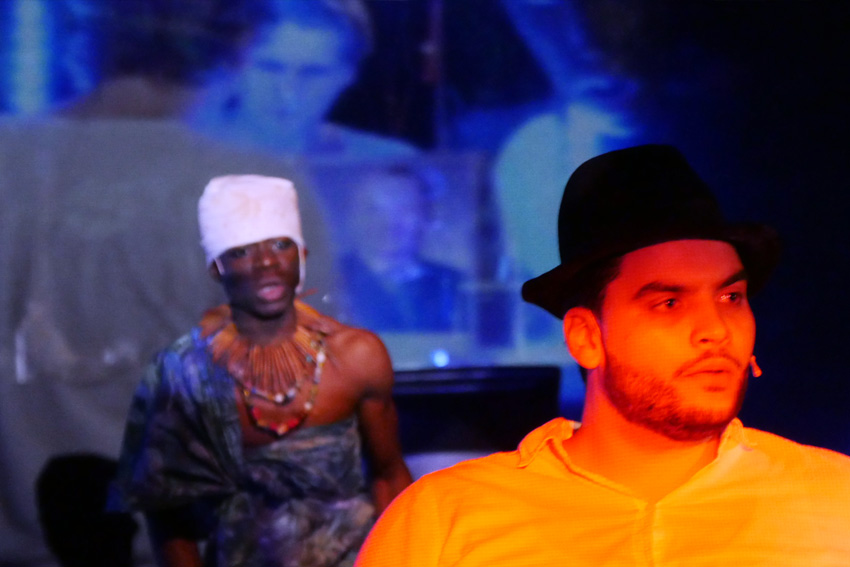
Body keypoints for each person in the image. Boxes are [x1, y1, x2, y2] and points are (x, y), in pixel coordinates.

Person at [354, 145, 850, 565]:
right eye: (669, 303)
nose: (716, 330)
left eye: (731, 297)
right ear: (586, 337)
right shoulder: (445, 518)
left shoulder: (835, 500)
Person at [111, 174, 412, 567]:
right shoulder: (185, 374)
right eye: (241, 251)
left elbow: (389, 475)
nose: (267, 262)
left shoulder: (355, 355)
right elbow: (166, 513)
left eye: (281, 245)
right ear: (217, 267)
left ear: (302, 255)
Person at [191, 0, 417, 158]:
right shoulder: (181, 157)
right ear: (233, 64)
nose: (287, 91)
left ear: (348, 75)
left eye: (313, 73)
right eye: (269, 67)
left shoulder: (387, 164)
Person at [339, 166, 464, 332]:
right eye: (374, 210)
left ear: (426, 216)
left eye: (404, 209)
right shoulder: (330, 279)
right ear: (354, 217)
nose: (390, 222)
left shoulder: (454, 284)